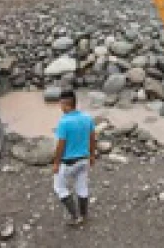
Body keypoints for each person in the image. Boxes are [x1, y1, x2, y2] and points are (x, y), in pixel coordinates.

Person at [52, 90, 96, 226]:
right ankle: (84, 215)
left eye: (60, 104)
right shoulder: (87, 118)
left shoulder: (64, 122)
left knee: (60, 188)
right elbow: (92, 138)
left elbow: (60, 145)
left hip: (68, 162)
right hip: (84, 160)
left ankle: (75, 217)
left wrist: (56, 163)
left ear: (65, 104)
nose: (60, 107)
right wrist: (92, 155)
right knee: (82, 187)